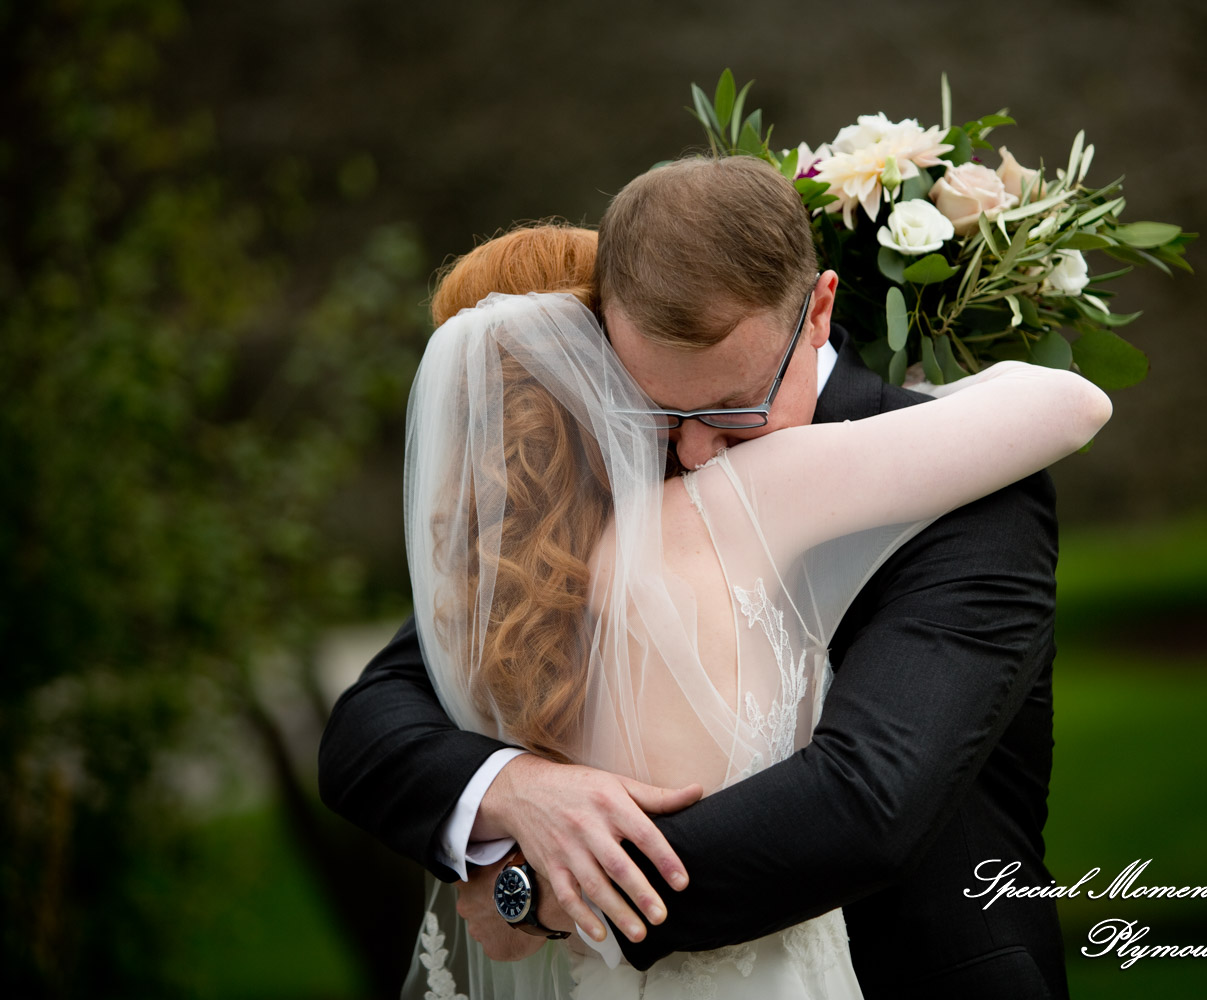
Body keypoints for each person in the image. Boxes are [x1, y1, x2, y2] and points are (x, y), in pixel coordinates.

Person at [321, 157, 1108, 999]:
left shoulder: (973, 489)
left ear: (819, 312)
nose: (694, 450)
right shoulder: (580, 506)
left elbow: (865, 803)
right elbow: (374, 723)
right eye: (658, 410)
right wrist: (516, 791)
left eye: (735, 406)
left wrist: (544, 895)